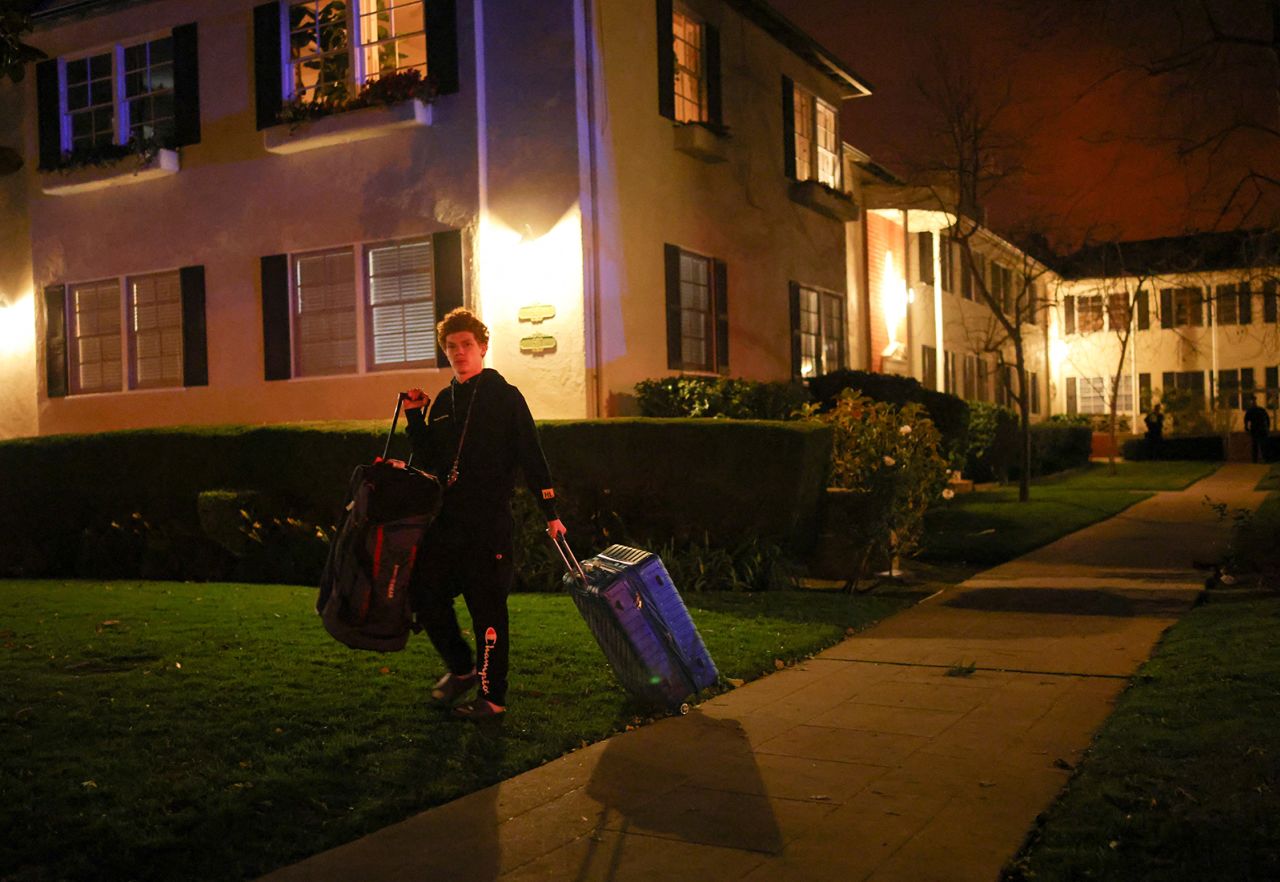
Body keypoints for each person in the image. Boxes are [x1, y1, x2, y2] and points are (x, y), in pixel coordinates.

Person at [402, 307, 566, 722]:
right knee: (423, 592)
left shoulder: (503, 396)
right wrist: (415, 417)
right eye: (451, 346)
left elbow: (533, 454)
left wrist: (551, 512)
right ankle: (462, 668)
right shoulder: (443, 401)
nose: (459, 352)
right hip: (448, 524)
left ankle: (492, 697)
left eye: (466, 345)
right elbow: (431, 460)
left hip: (488, 524)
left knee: (487, 610)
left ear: (483, 347)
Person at [1243, 395, 1271, 464]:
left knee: (1256, 445)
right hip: (1261, 429)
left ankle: (1256, 460)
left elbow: (1246, 420)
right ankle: (1264, 458)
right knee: (1262, 445)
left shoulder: (1251, 411)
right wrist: (1267, 427)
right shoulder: (1260, 410)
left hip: (1256, 429)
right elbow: (1267, 419)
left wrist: (1247, 428)